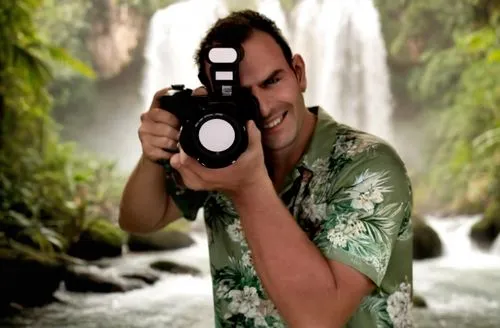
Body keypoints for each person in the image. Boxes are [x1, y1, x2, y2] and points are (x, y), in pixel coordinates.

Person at [119, 9, 413, 328]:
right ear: (214, 99)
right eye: (242, 96)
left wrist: (247, 187)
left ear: (298, 72)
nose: (263, 106)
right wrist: (155, 153)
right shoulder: (215, 154)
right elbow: (138, 220)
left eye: (272, 81)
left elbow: (319, 318)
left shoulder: (371, 165)